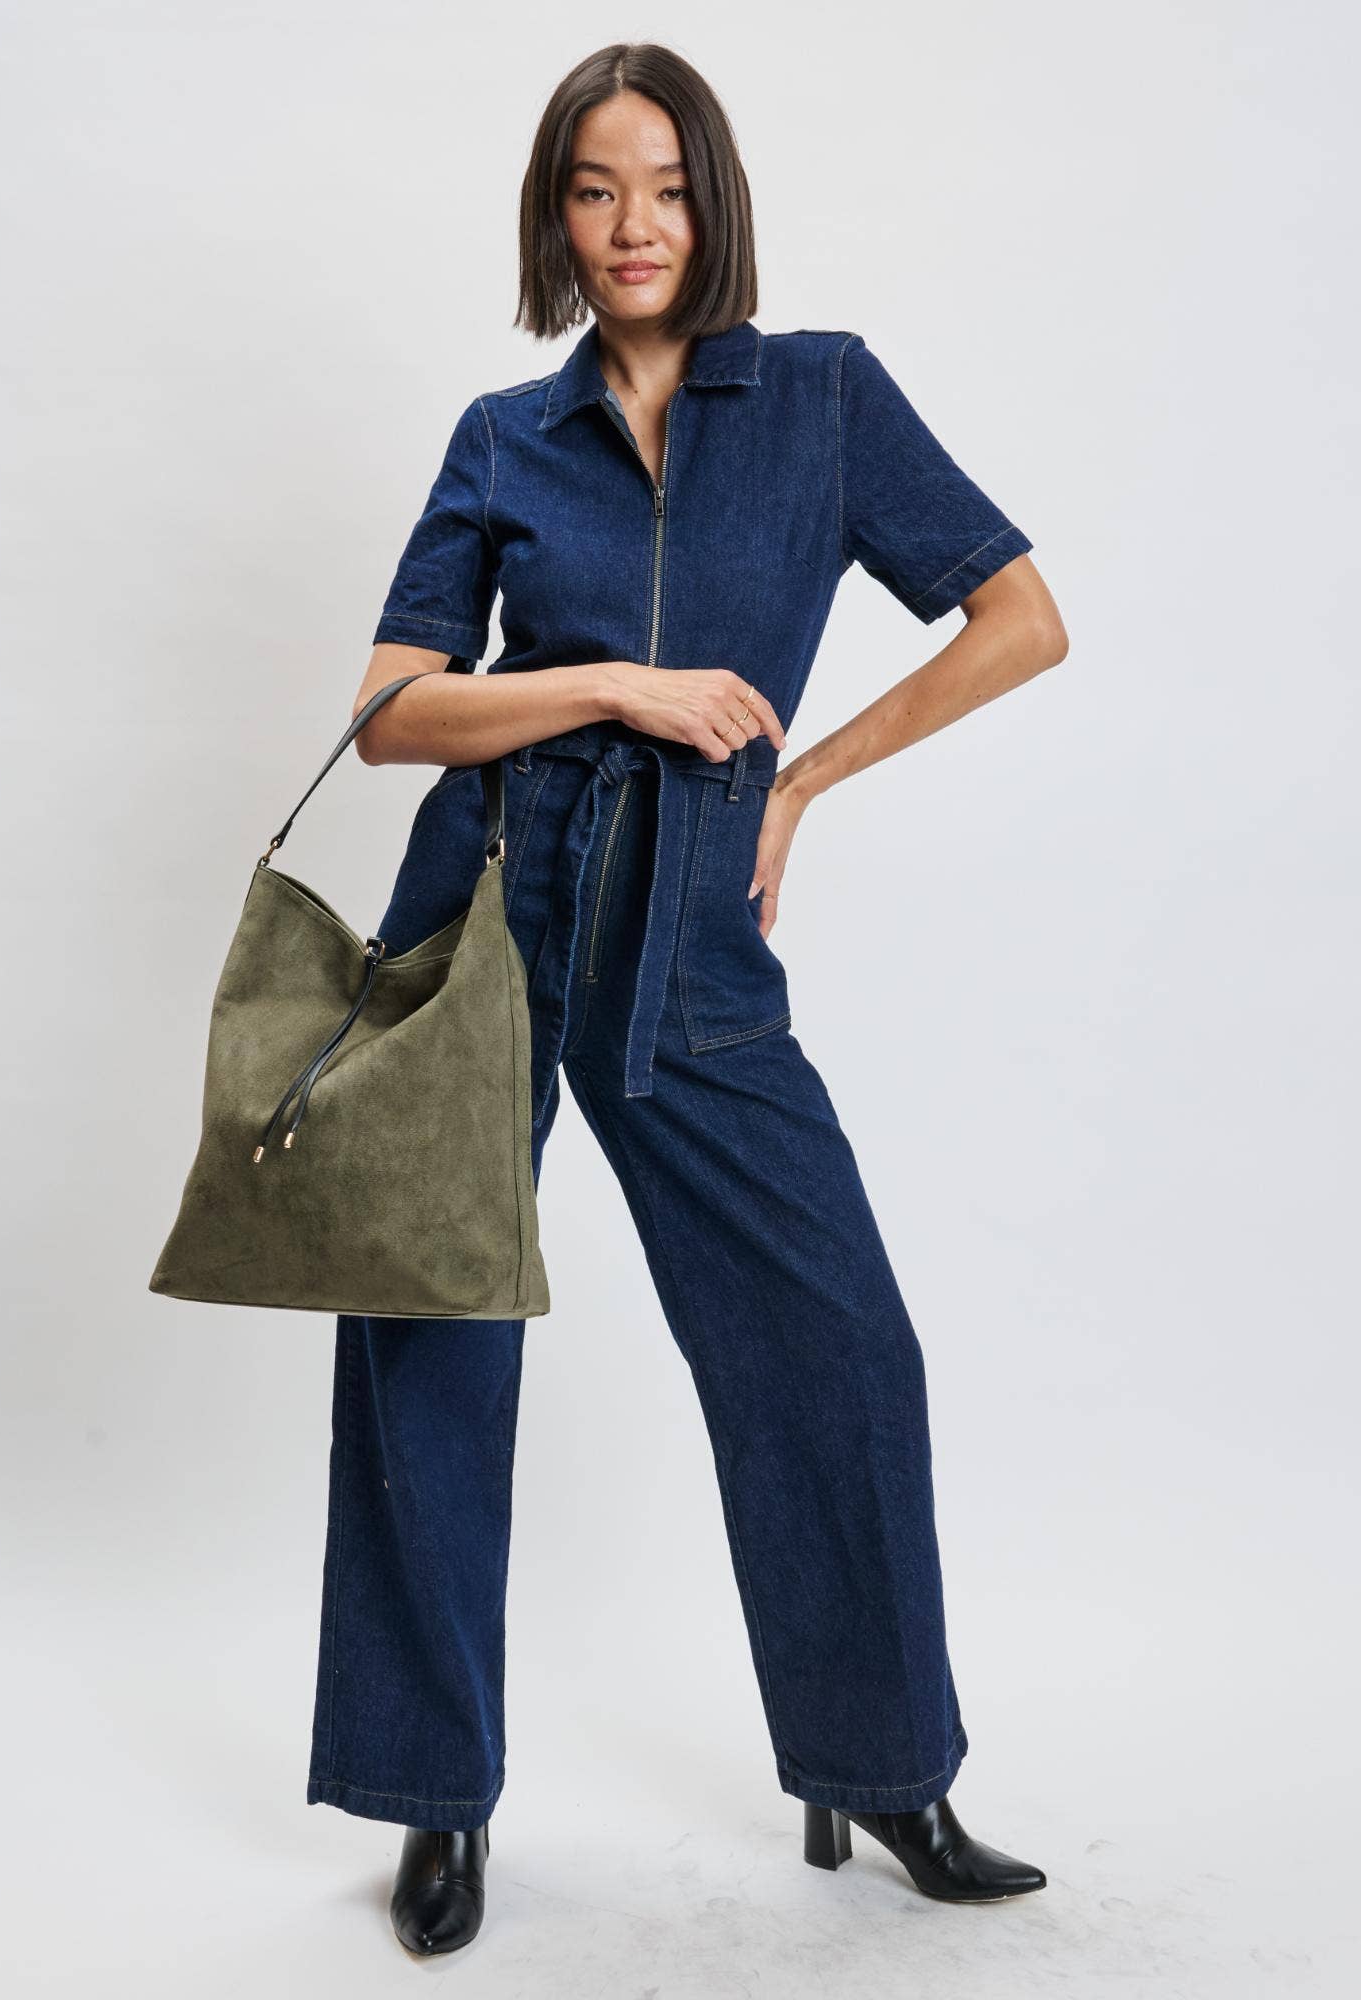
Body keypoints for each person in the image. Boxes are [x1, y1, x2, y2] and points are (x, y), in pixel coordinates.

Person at [309, 43, 1070, 1956]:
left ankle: (882, 1768)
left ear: (711, 201)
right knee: (430, 1339)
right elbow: (391, 710)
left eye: (661, 187)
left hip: (694, 931)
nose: (631, 226)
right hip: (483, 910)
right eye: (593, 189)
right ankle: (433, 1801)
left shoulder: (818, 396)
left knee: (833, 1340)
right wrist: (608, 688)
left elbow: (1021, 618)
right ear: (555, 216)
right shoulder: (509, 433)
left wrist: (798, 784)